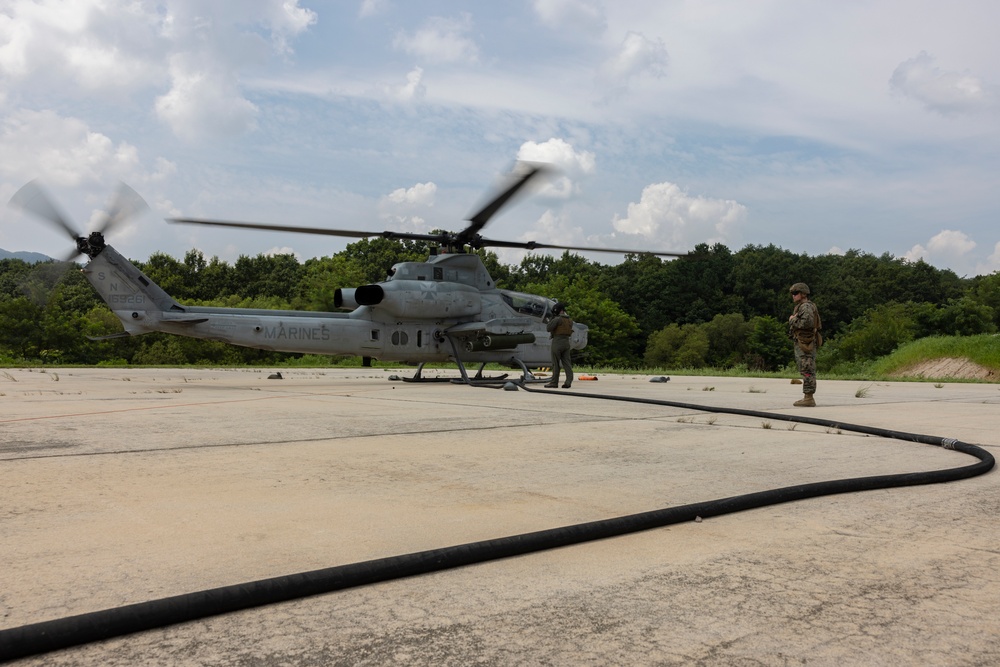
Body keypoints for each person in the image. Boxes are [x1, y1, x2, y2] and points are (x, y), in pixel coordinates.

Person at [788, 282, 821, 407]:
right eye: (792, 293)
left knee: (807, 368)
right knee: (805, 368)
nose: (793, 296)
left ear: (803, 294)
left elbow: (807, 322)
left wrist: (792, 320)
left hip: (805, 343)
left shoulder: (806, 306)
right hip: (803, 341)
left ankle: (808, 397)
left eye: (795, 293)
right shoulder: (803, 306)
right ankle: (808, 396)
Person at [545, 302, 574, 388]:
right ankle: (568, 382)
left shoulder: (557, 319)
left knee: (555, 363)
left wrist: (551, 319)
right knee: (567, 363)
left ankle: (554, 382)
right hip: (566, 342)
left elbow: (548, 328)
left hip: (557, 342)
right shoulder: (570, 320)